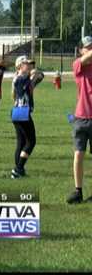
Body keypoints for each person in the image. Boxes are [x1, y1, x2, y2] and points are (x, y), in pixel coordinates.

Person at [67, 36, 92, 203]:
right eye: (87, 47)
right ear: (80, 50)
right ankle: (78, 191)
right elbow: (86, 58)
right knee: (78, 155)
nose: (89, 50)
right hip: (81, 117)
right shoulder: (78, 64)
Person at [10, 56, 44, 179]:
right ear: (19, 66)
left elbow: (40, 76)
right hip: (22, 113)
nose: (29, 65)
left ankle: (20, 169)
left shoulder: (25, 78)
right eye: (26, 64)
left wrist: (36, 75)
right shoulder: (19, 78)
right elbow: (23, 85)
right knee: (31, 141)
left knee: (21, 142)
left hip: (17, 112)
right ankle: (18, 169)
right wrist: (32, 76)